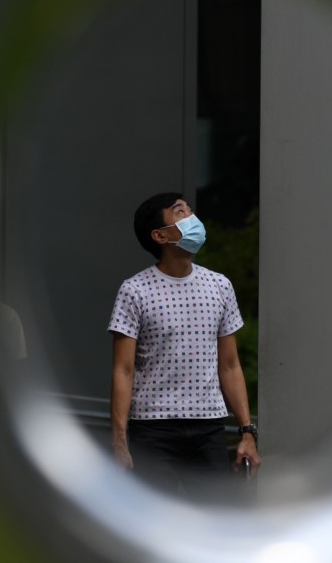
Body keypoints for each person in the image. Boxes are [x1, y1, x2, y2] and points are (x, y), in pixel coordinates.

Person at [108, 192, 261, 500]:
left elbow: (230, 365)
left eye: (190, 211)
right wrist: (119, 442)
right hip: (152, 428)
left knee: (216, 516)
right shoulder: (134, 290)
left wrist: (247, 431)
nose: (192, 219)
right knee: (154, 519)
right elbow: (123, 370)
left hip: (209, 427)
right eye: (180, 212)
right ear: (160, 236)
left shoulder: (220, 286)